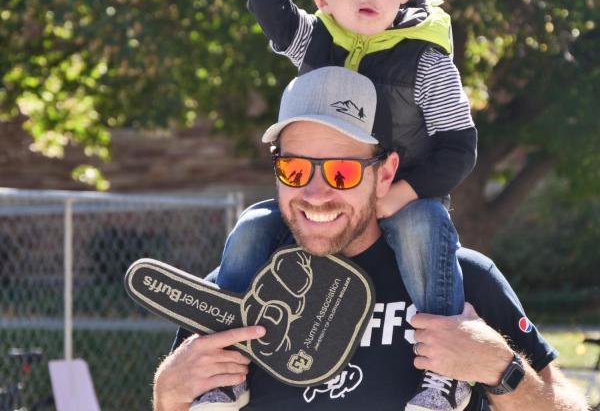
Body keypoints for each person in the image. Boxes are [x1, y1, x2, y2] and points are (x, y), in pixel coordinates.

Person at [152, 67, 586, 411]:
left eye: (342, 172)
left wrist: (501, 369)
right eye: (295, 170)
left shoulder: (461, 282)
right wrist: (168, 396)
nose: (316, 194)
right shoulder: (233, 290)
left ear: (386, 174)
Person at [199, 0, 477, 411]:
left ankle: (444, 376)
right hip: (327, 192)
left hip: (403, 194)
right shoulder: (314, 42)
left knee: (425, 228)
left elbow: (460, 147)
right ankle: (226, 364)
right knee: (250, 228)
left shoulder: (427, 60)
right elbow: (264, 2)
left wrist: (403, 194)